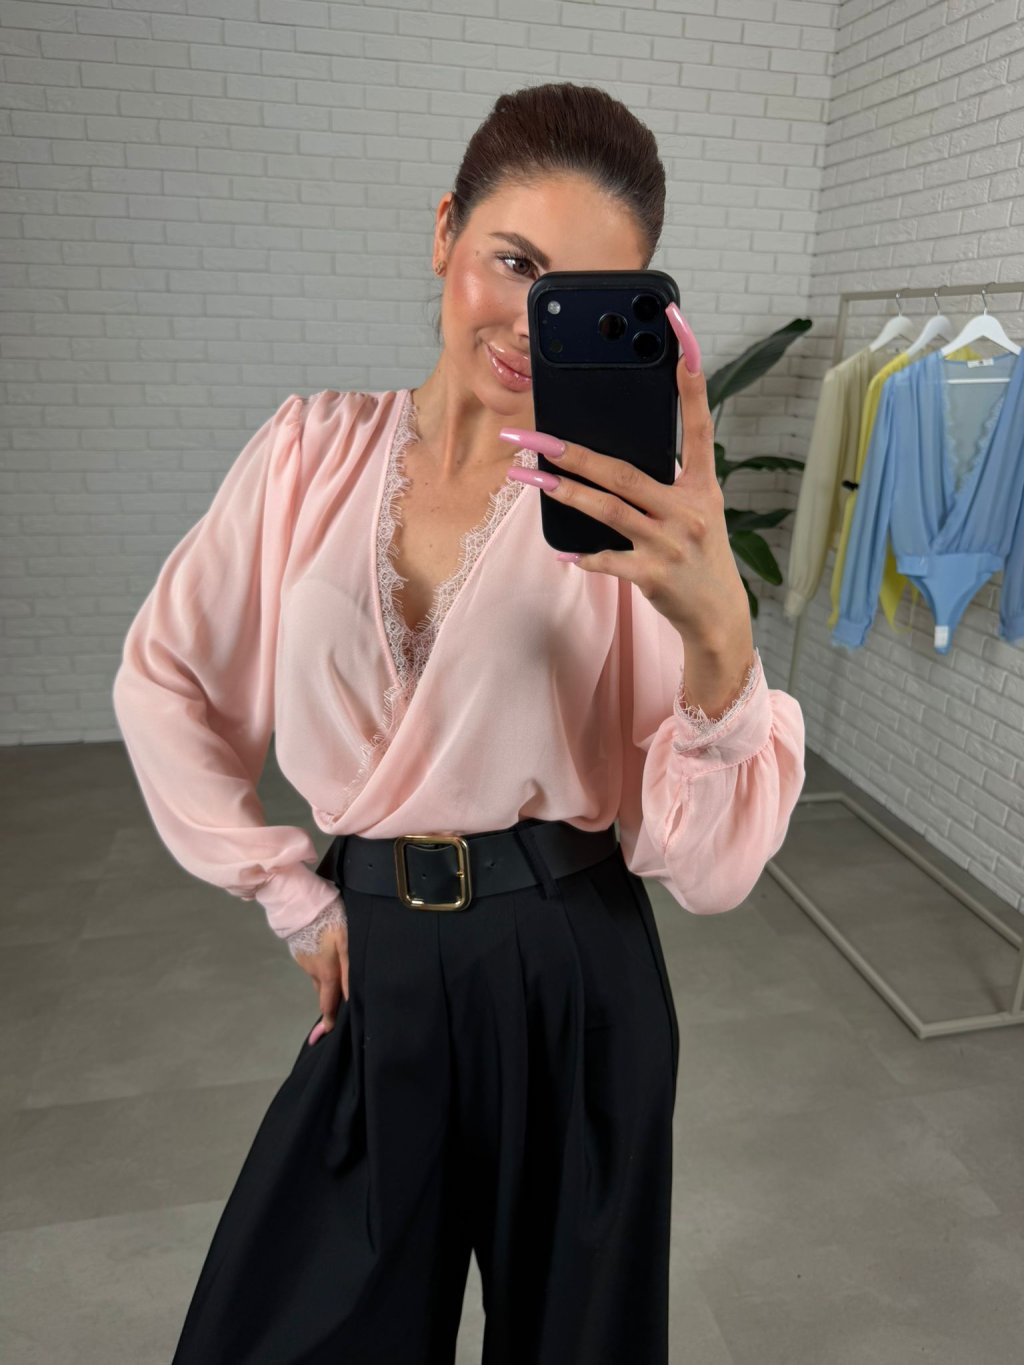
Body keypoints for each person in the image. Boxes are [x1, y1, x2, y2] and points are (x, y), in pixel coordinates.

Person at [113, 82, 806, 1365]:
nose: (531, 326)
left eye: (580, 296)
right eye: (515, 264)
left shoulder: (633, 513)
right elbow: (166, 678)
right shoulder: (307, 454)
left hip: (574, 963)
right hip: (376, 948)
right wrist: (289, 892)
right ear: (444, 232)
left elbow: (707, 871)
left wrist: (718, 631)